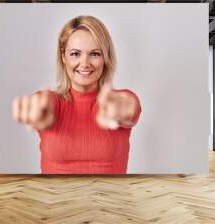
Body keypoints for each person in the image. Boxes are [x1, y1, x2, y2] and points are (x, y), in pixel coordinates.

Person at [12, 15, 141, 174]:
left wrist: (123, 108)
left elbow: (131, 107)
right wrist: (34, 109)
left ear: (105, 58)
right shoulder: (50, 102)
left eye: (95, 54)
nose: (85, 63)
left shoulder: (119, 99)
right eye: (75, 54)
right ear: (63, 56)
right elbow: (40, 105)